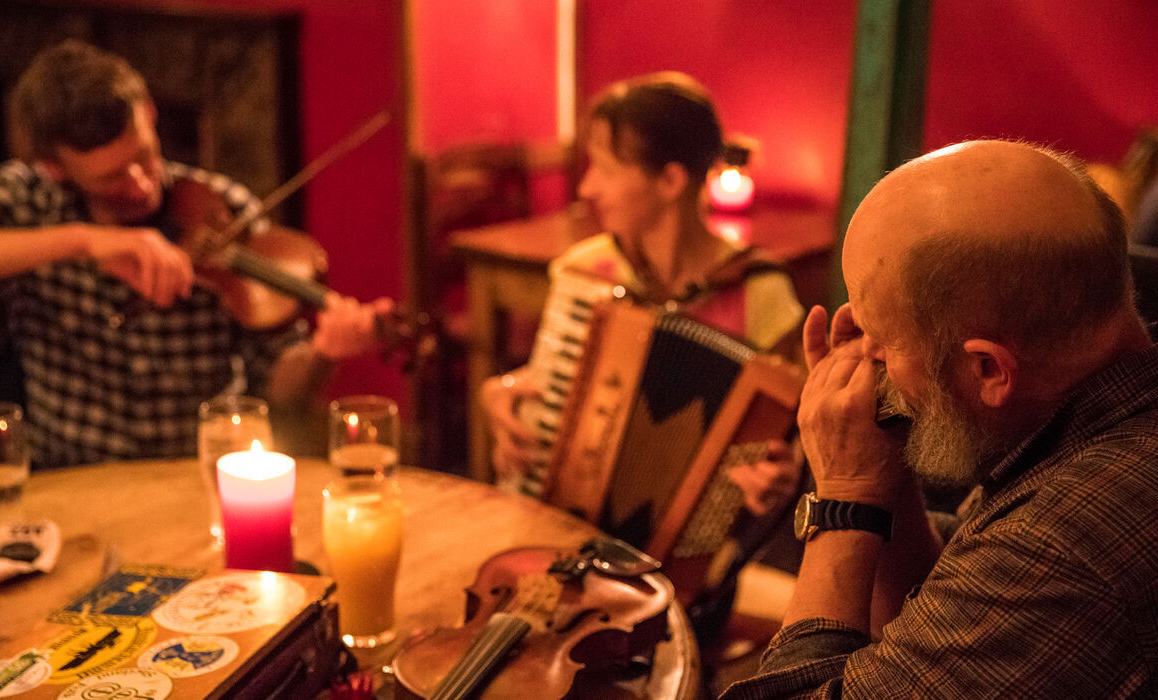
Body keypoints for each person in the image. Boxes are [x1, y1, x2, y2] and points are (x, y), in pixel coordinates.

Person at [721, 140, 1158, 698]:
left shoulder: (1066, 546)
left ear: (989, 369)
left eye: (886, 340)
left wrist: (843, 499)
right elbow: (947, 610)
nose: (866, 356)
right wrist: (883, 476)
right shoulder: (1091, 419)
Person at [0, 40, 385, 469]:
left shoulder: (224, 210)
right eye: (111, 178)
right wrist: (83, 241)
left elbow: (279, 388)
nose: (141, 184)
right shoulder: (24, 199)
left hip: (194, 473)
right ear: (54, 169)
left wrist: (323, 355)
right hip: (66, 474)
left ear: (149, 113)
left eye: (144, 156)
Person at [480, 72, 804, 512]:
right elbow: (552, 397)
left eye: (607, 170)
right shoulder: (585, 275)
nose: (586, 188)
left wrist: (779, 475)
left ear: (670, 182)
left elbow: (790, 441)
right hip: (575, 525)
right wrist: (506, 394)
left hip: (696, 544)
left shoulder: (760, 291)